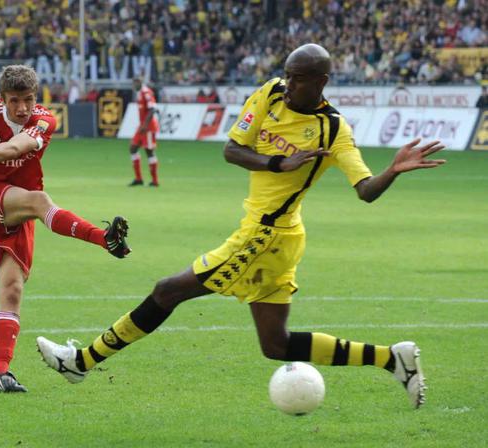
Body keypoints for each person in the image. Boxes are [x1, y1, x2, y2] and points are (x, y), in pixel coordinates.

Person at [37, 43, 446, 409]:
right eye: (287, 74)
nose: (288, 84)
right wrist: (278, 163)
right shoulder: (271, 94)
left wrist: (392, 170)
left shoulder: (334, 130)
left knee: (167, 290)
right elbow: (232, 150)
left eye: (298, 78)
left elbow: (365, 190)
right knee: (276, 344)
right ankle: (392, 358)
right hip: (271, 235)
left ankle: (81, 362)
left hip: (266, 236)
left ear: (320, 82)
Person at [0, 65, 131, 393]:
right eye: (14, 101)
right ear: (2, 99)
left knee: (12, 288)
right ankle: (104, 239)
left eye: (28, 99)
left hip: (18, 207)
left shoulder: (44, 119)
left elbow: (16, 148)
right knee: (40, 201)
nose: (22, 108)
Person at [128, 76, 160, 187]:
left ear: (139, 82)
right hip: (142, 126)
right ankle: (138, 179)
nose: (133, 86)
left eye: (134, 83)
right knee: (133, 148)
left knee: (149, 151)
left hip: (148, 127)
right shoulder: (140, 93)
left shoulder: (146, 93)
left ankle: (155, 181)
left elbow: (153, 109)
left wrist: (145, 125)